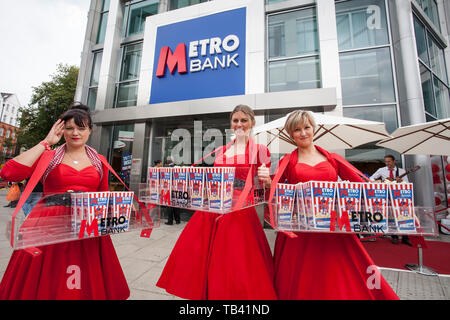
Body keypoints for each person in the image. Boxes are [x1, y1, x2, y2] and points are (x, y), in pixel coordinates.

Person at [0, 102, 129, 299]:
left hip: (87, 228)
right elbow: (9, 173)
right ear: (61, 130)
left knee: (84, 281)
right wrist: (46, 142)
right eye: (69, 128)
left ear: (90, 131)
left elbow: (104, 198)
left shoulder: (99, 160)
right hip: (47, 226)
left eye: (81, 128)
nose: (75, 132)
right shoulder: (48, 156)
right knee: (46, 280)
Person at [268, 110, 398, 300]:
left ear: (314, 129)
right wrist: (265, 180)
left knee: (340, 276)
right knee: (301, 280)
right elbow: (274, 191)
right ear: (291, 134)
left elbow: (364, 186)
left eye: (306, 127)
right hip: (300, 231)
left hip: (332, 227)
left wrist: (396, 202)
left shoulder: (333, 159)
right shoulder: (287, 161)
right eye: (297, 129)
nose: (303, 133)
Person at [157, 105, 277, 300]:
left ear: (252, 123)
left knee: (234, 260)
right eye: (235, 120)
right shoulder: (221, 149)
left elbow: (263, 190)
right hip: (213, 205)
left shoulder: (260, 149)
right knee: (201, 257)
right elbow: (213, 177)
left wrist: (267, 180)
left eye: (244, 120)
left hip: (239, 210)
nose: (239, 124)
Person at [370, 155, 412, 246]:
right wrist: (380, 183)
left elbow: (407, 184)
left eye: (389, 161)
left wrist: (401, 181)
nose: (387, 164)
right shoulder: (382, 170)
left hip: (399, 196)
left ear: (394, 161)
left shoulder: (401, 171)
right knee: (391, 216)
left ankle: (405, 237)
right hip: (388, 196)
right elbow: (371, 178)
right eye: (386, 162)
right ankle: (394, 236)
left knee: (402, 215)